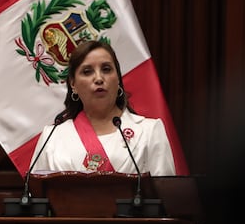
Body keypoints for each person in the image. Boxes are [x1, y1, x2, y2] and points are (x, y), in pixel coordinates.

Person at [30, 40, 175, 176]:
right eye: (87, 71)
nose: (99, 78)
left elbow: (165, 198)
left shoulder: (149, 131)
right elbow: (35, 197)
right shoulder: (52, 137)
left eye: (106, 69)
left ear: (118, 78)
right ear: (73, 84)